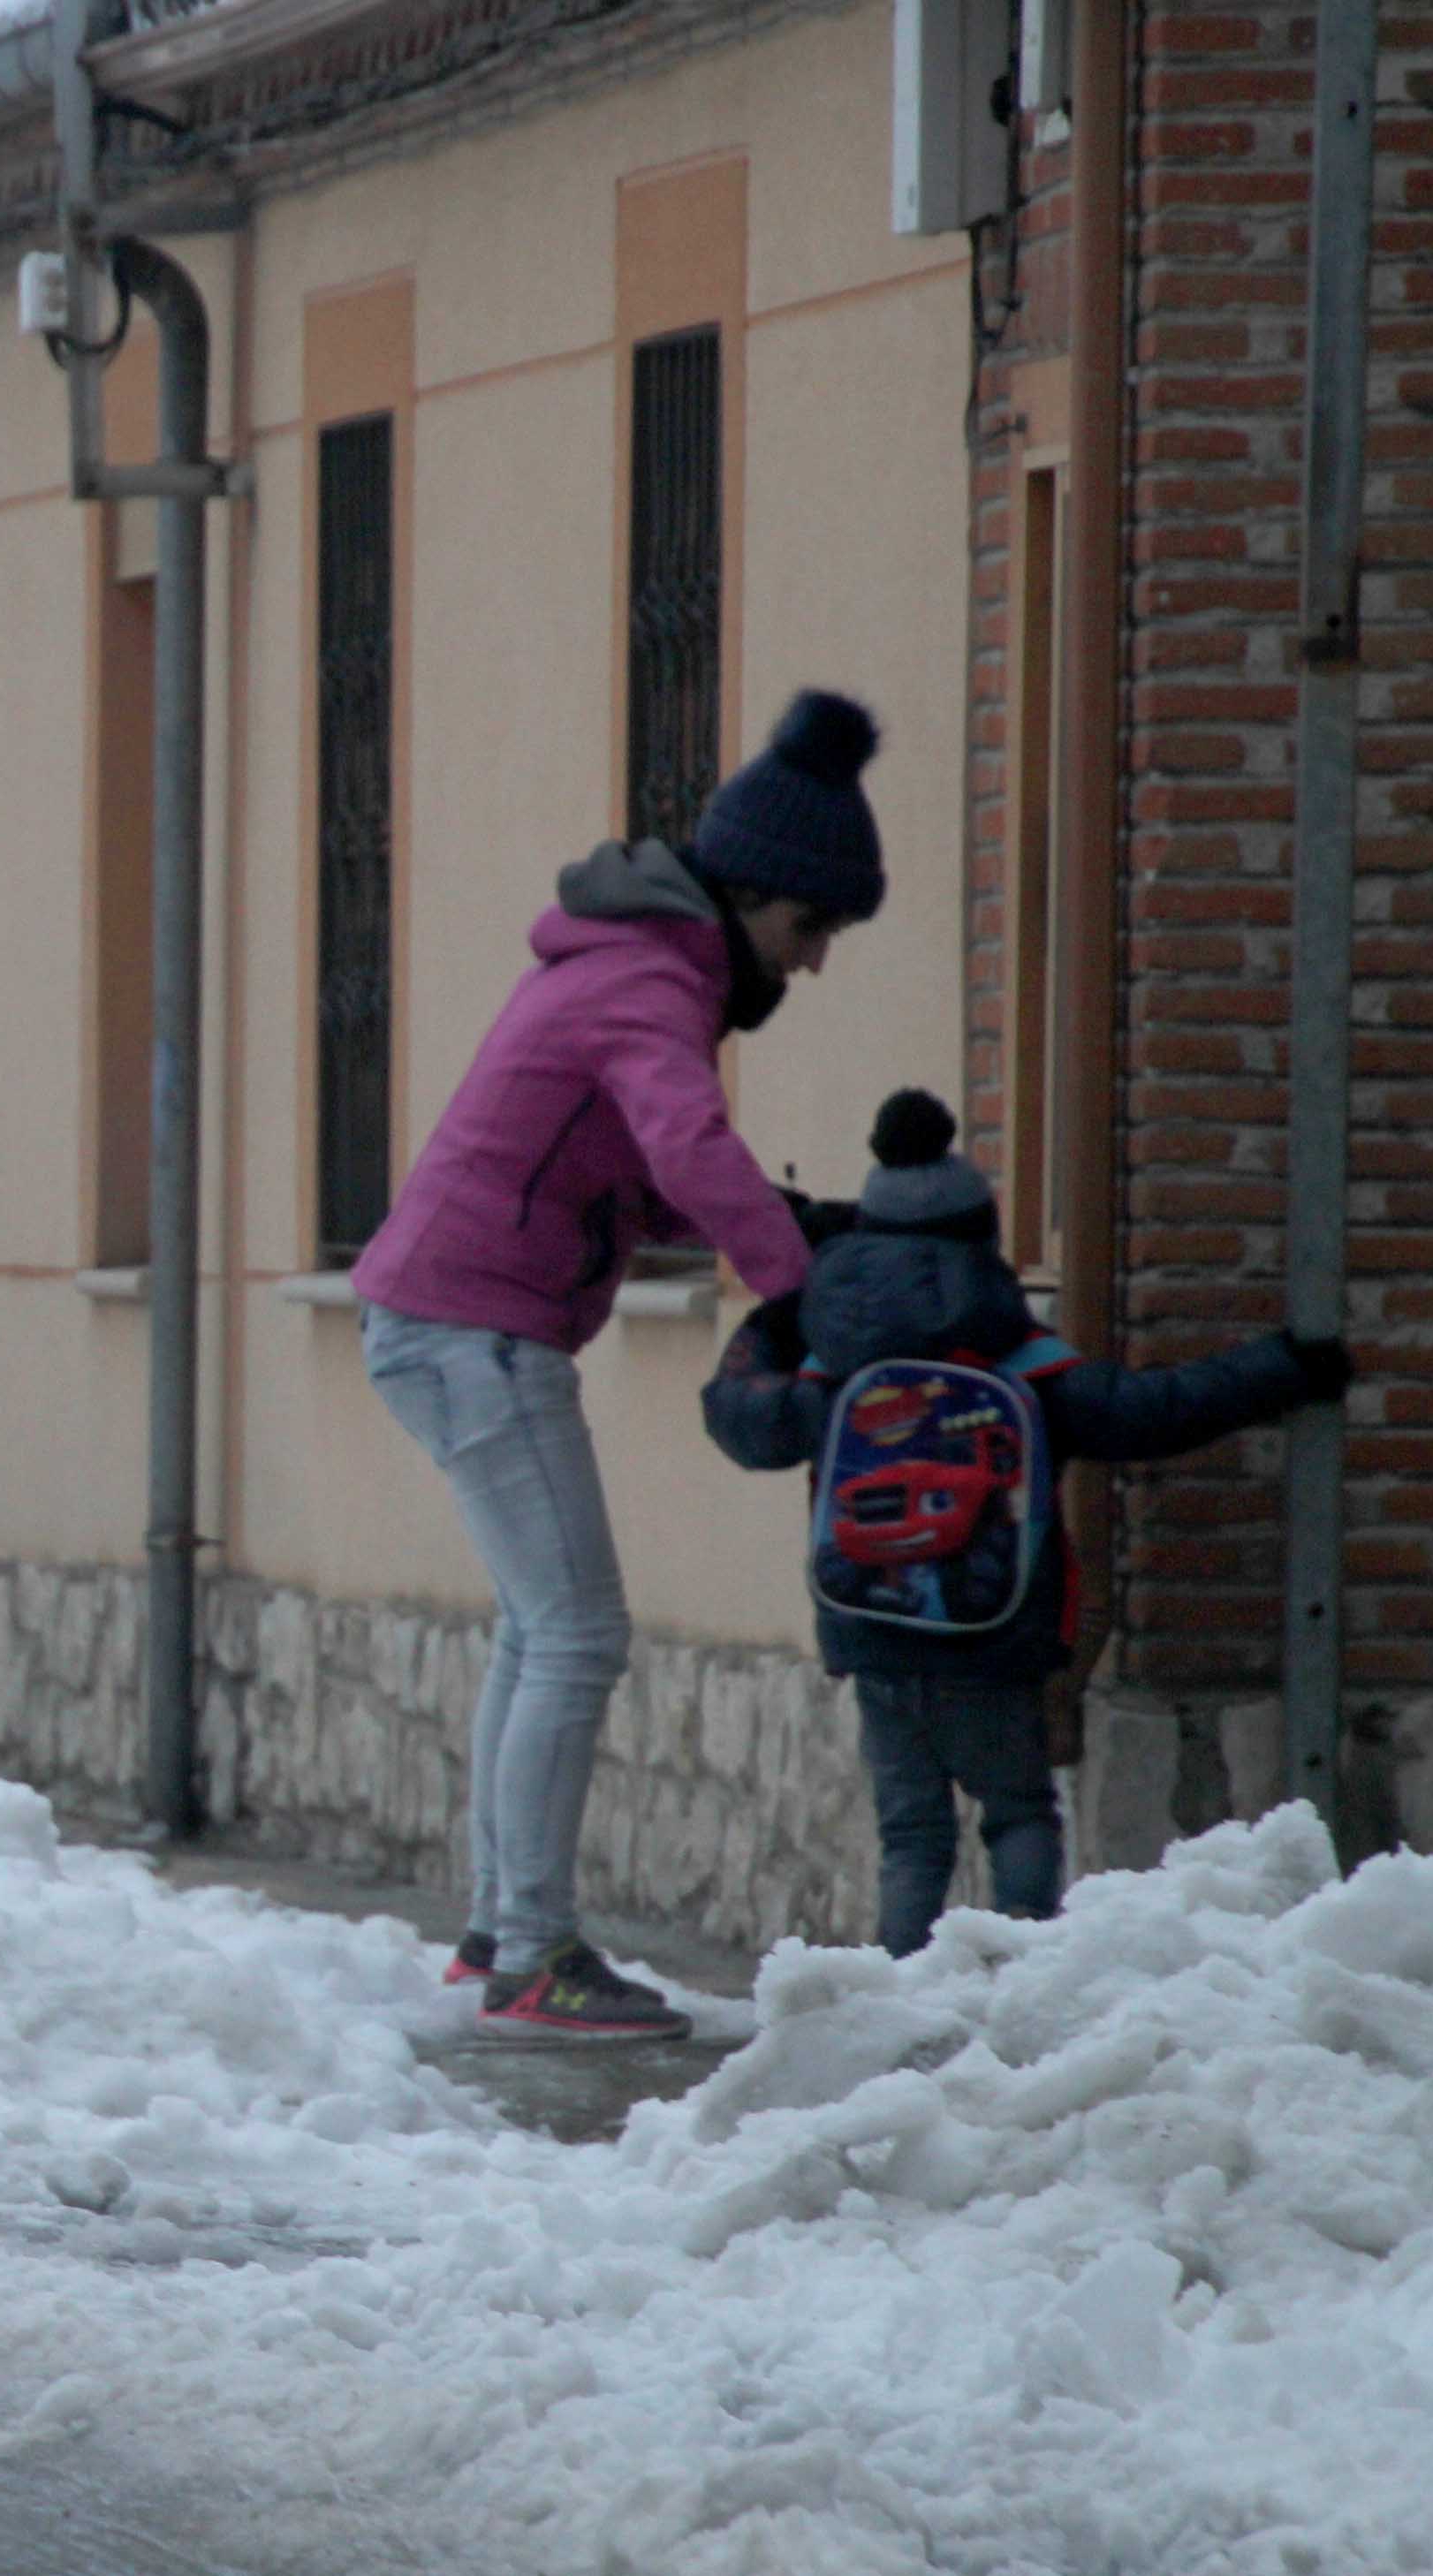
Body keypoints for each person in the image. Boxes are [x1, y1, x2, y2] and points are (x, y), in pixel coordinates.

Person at [348, 689, 889, 2042]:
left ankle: (501, 1933)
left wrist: (790, 1222)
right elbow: (689, 1149)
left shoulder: (630, 968)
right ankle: (535, 1955)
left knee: (539, 1629)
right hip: (474, 1330)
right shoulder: (651, 983)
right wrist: (802, 1288)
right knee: (578, 1633)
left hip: (449, 1321)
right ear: (749, 897)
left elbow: (636, 1173)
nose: (815, 961)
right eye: (810, 927)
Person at [705, 1088, 1344, 1957]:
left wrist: (781, 1311)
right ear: (983, 1239)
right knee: (1017, 1814)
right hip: (996, 1638)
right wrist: (1284, 1368)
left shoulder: (833, 1368)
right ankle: (1020, 1975)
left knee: (912, 1835)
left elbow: (739, 1416)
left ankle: (901, 1998)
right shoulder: (1024, 1362)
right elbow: (1151, 1411)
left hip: (876, 1635)